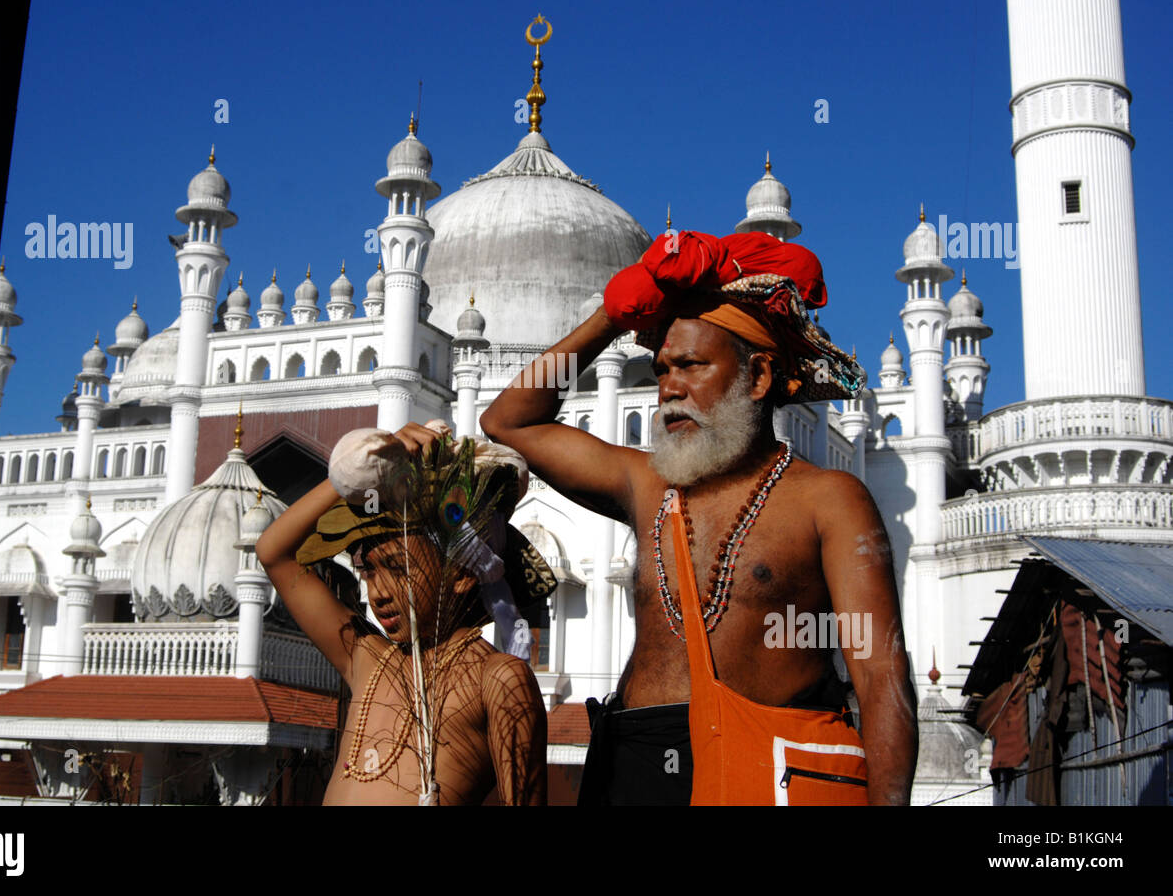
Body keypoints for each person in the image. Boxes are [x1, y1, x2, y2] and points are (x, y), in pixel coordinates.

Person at [480, 229, 918, 805]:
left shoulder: (828, 499)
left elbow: (882, 684)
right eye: (661, 370)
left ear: (758, 377)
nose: (669, 389)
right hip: (629, 763)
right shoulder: (647, 483)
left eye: (690, 366)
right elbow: (511, 422)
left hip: (764, 763)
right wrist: (609, 319)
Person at [255, 420, 556, 805]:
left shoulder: (497, 678)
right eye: (368, 571)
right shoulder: (369, 659)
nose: (377, 593)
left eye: (398, 569)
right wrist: (363, 467)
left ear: (463, 573)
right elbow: (273, 553)